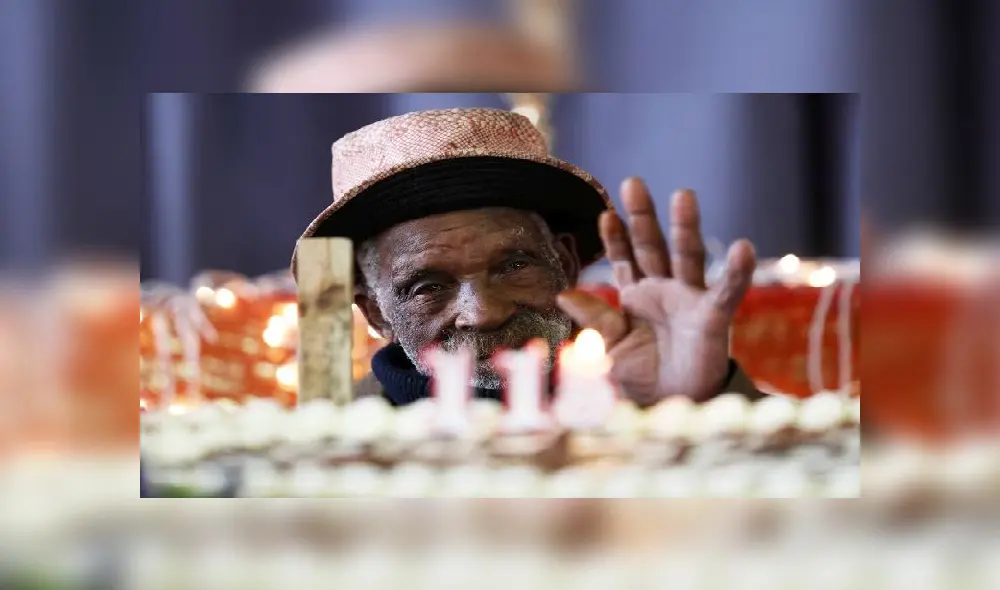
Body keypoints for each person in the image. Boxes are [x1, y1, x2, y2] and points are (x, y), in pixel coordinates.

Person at [292, 108, 763, 407]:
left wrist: (702, 405)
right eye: (428, 287)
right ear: (376, 313)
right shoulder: (324, 448)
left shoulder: (649, 400)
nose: (485, 314)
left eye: (514, 266)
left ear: (566, 264)